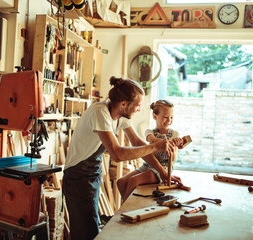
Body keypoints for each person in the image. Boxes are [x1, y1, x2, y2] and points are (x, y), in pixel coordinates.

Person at [62, 77, 182, 240]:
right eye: (138, 105)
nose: (139, 109)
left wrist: (162, 172)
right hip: (78, 175)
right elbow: (117, 154)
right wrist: (156, 146)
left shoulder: (121, 116)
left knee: (92, 224)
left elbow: (137, 143)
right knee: (85, 232)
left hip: (93, 171)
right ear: (124, 104)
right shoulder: (100, 112)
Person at [117, 100, 184, 202]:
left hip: (164, 168)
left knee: (134, 180)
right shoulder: (150, 132)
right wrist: (166, 142)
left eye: (171, 117)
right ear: (154, 116)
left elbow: (173, 158)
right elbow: (152, 140)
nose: (169, 120)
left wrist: (174, 146)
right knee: (121, 182)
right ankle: (127, 207)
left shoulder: (175, 134)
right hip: (148, 165)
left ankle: (124, 211)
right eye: (165, 117)